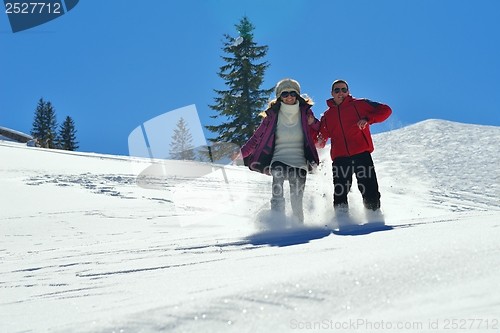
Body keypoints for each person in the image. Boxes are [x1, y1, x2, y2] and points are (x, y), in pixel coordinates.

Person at [238, 78, 320, 223]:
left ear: (298, 95)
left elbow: (321, 130)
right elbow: (256, 137)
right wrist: (242, 153)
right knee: (277, 192)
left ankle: (298, 227)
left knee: (296, 199)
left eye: (293, 93)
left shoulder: (305, 113)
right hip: (279, 159)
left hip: (299, 162)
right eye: (285, 93)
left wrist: (313, 123)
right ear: (279, 97)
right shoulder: (272, 115)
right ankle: (277, 223)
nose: (289, 96)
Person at [314, 79, 392, 213]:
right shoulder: (327, 115)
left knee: (369, 187)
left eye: (344, 90)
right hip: (340, 159)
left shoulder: (360, 104)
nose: (341, 93)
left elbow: (386, 110)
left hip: (361, 154)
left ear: (348, 92)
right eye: (337, 90)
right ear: (332, 93)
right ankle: (342, 219)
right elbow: (321, 141)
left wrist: (368, 119)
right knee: (340, 190)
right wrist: (312, 128)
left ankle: (374, 216)